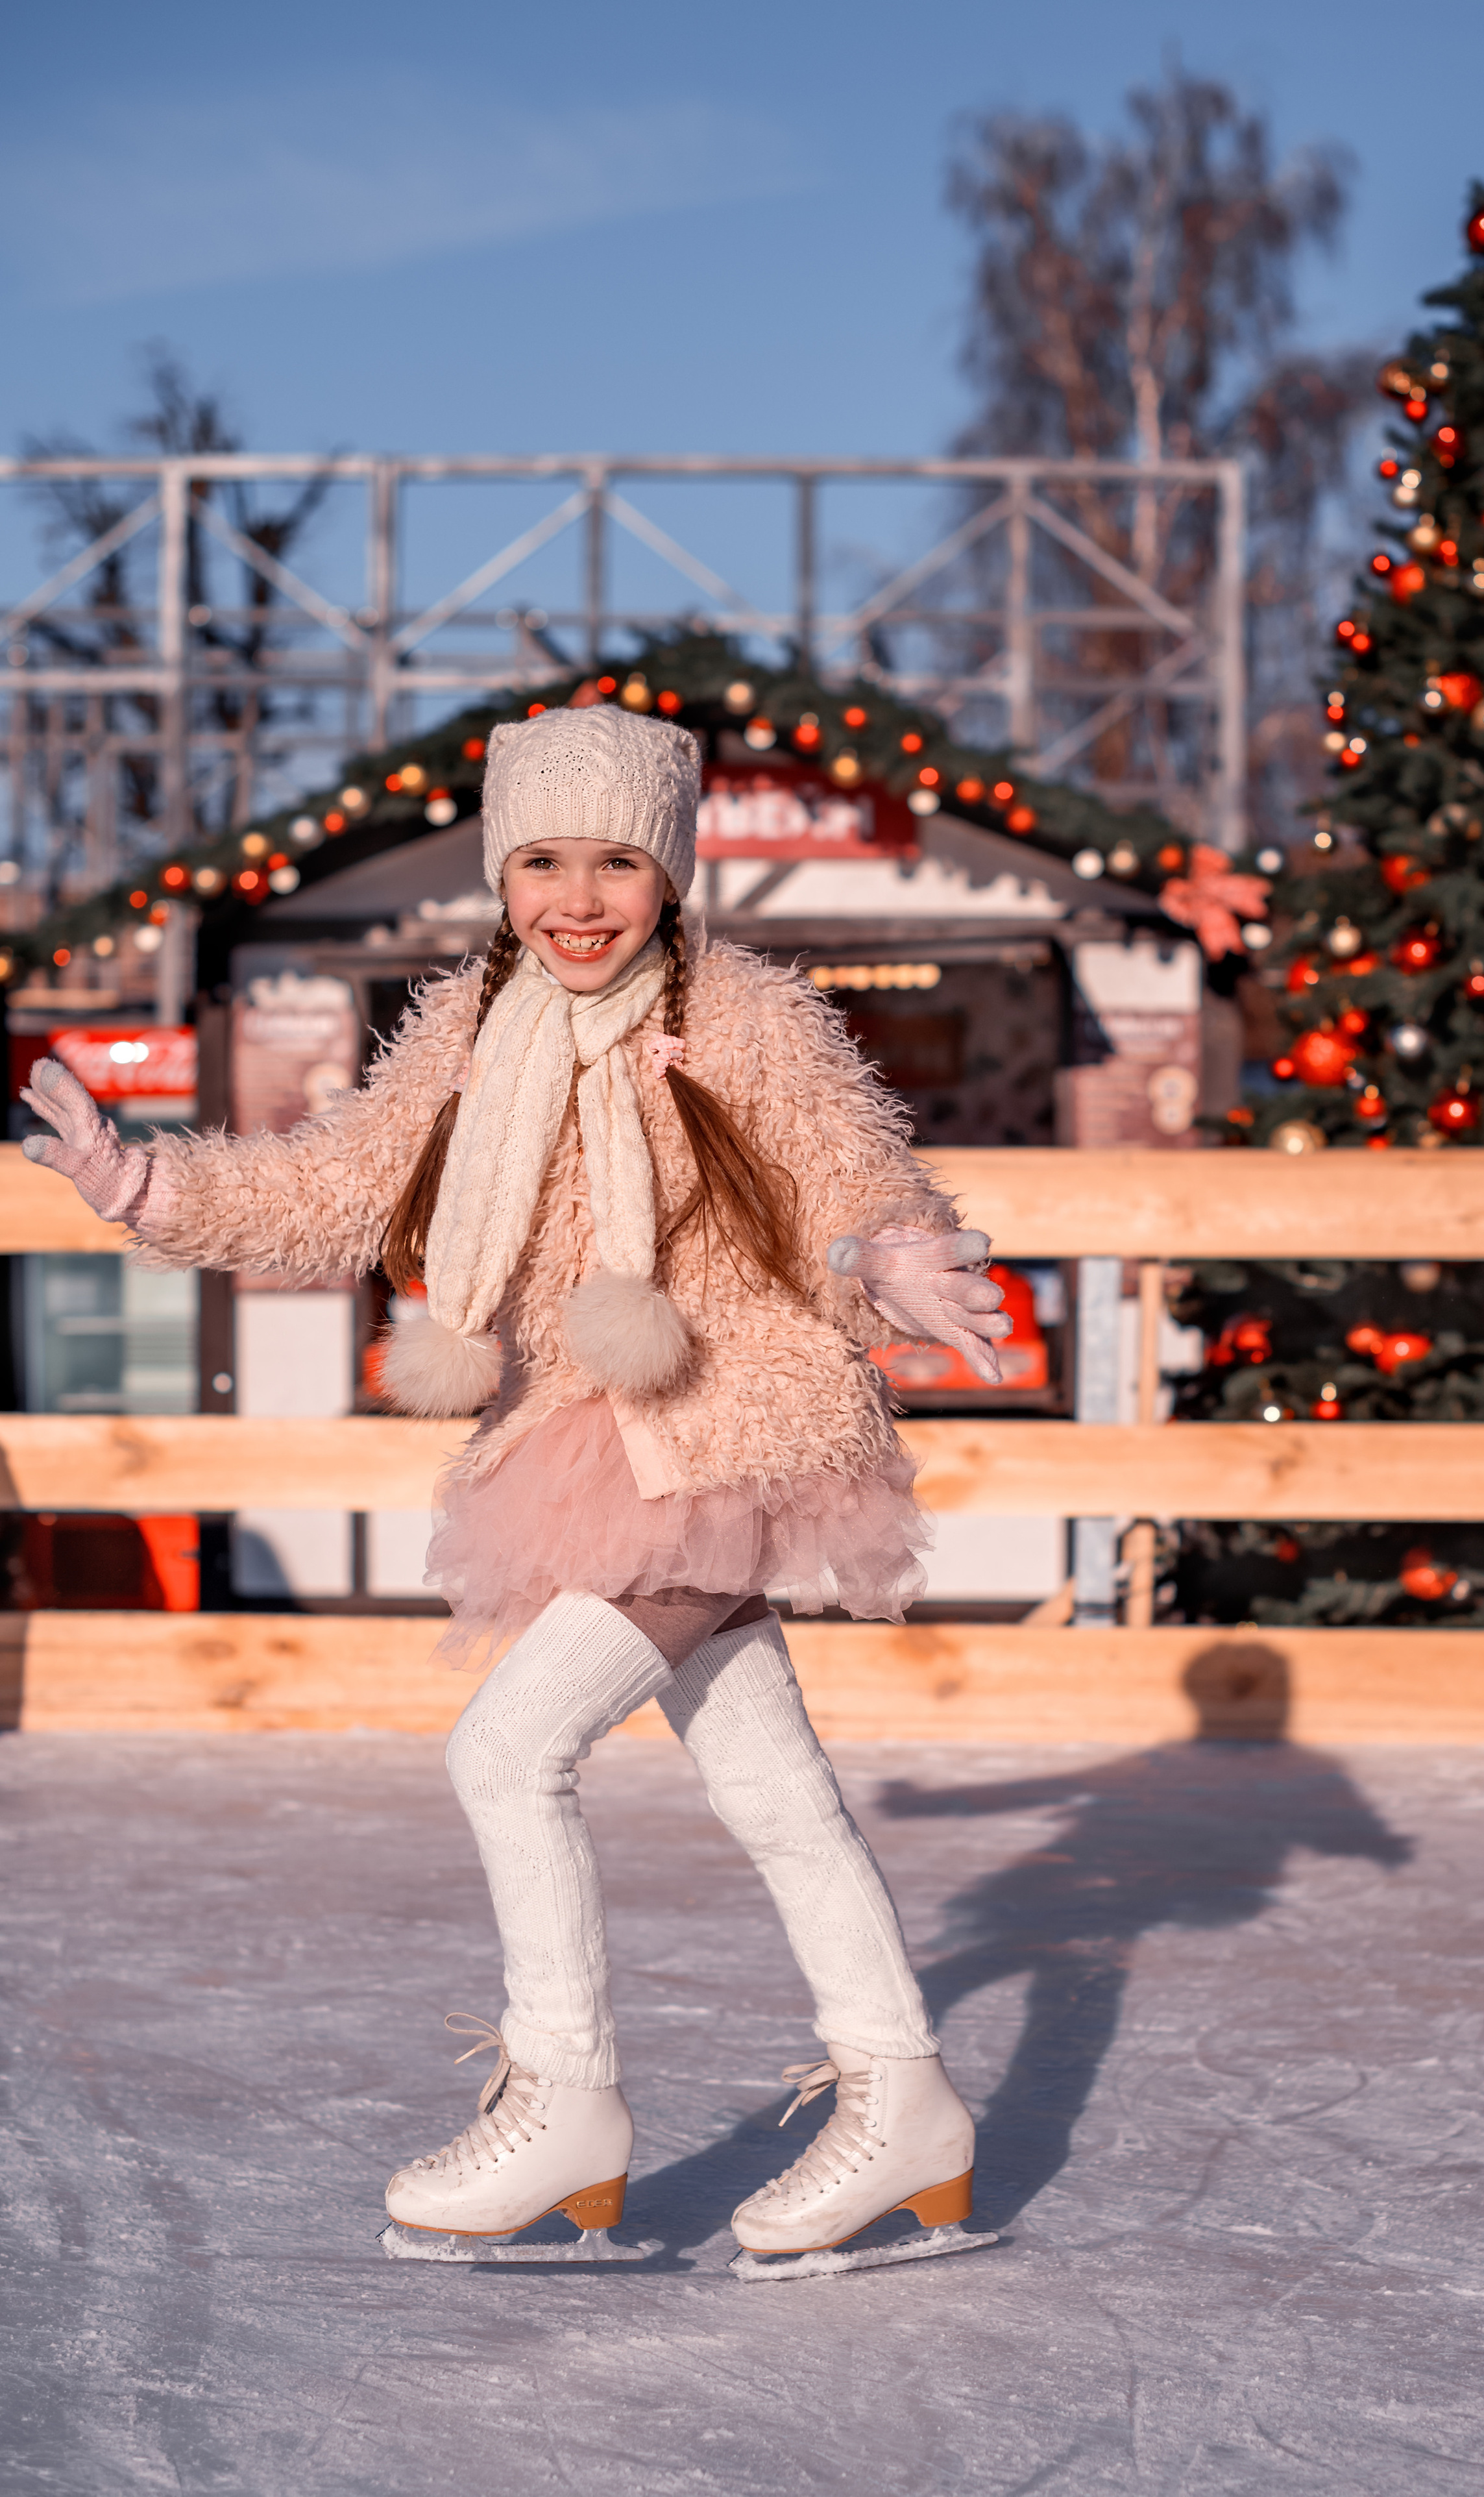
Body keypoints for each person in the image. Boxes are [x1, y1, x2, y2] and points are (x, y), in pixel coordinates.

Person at [23, 703, 1012, 2262]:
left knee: (506, 1751)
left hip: (724, 1435)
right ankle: (907, 2098)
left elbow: (846, 1169)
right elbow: (336, 1187)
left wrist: (889, 1255)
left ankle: (565, 2100)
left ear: (669, 874)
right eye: (542, 857)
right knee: (771, 1791)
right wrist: (145, 1180)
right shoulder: (472, 1028)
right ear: (498, 870)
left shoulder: (742, 1010)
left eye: (616, 859)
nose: (578, 896)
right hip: (586, 1442)